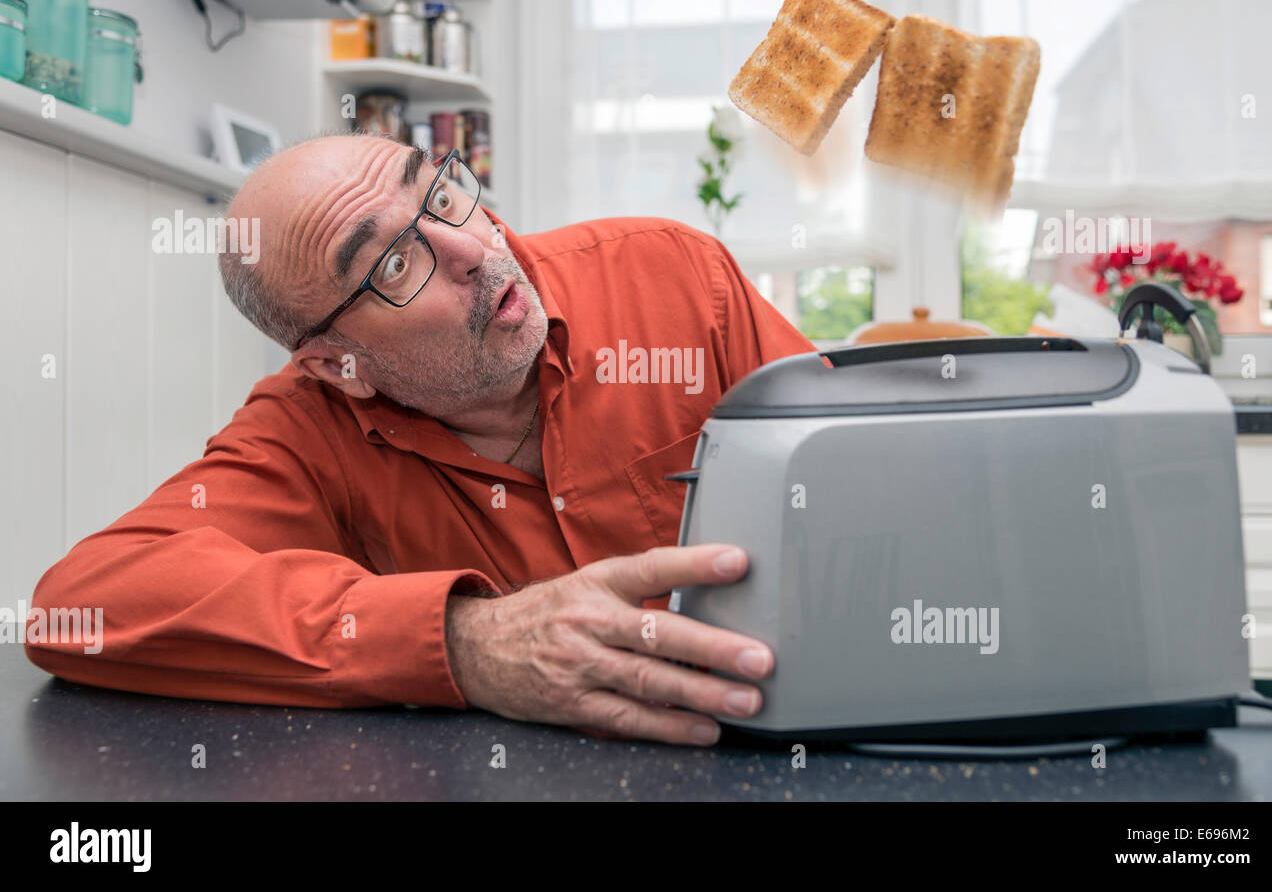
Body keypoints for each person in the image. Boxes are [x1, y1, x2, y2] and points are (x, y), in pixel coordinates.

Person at [26, 133, 817, 746]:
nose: (474, 248)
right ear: (340, 364)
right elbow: (82, 602)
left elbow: (855, 473)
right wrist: (467, 641)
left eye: (439, 194)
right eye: (398, 263)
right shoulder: (308, 429)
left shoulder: (674, 276)